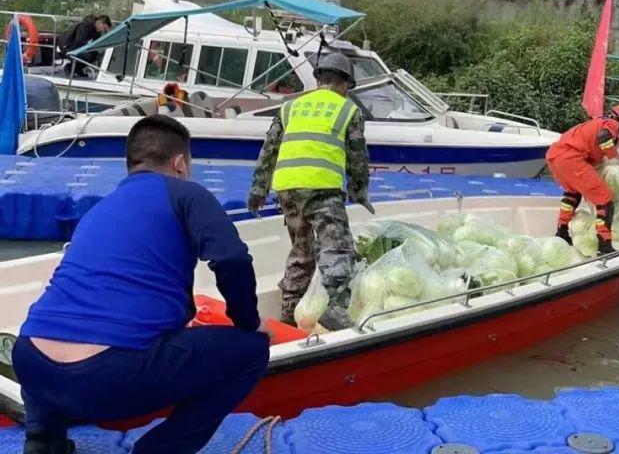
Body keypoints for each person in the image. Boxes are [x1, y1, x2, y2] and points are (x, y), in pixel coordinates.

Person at [14, 115, 270, 454]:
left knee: (62, 321)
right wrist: (249, 323)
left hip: (31, 365)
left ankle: (43, 440)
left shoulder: (100, 209)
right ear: (180, 163)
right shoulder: (187, 194)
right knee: (251, 350)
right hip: (104, 378)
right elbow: (231, 259)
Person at [248, 52, 372, 331]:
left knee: (301, 251)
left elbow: (269, 150)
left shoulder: (291, 107)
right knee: (337, 249)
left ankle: (289, 313)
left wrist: (258, 188)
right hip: (322, 187)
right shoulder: (348, 109)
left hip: (287, 188)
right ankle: (336, 309)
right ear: (346, 84)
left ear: (318, 80)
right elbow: (357, 158)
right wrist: (359, 191)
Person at [547, 104, 619, 255]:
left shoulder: (595, 123)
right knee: (605, 200)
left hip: (554, 157)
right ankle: (605, 245)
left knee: (572, 193)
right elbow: (604, 136)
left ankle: (562, 232)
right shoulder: (612, 124)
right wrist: (616, 157)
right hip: (572, 159)